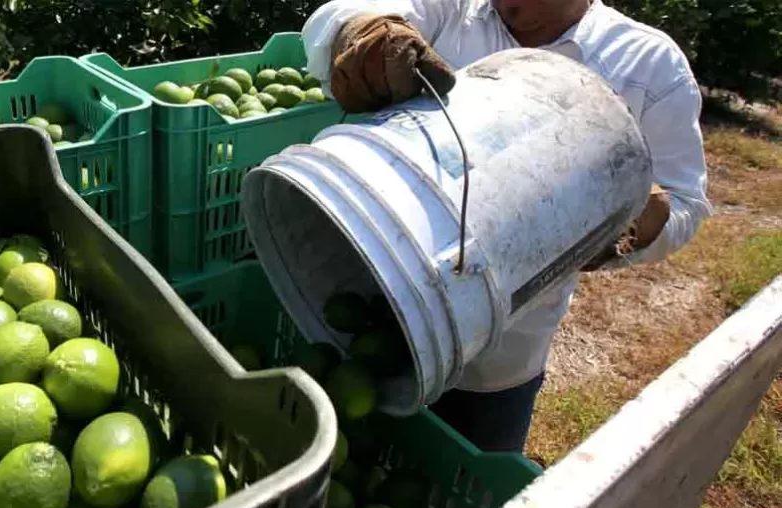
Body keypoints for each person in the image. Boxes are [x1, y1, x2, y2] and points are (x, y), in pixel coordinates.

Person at [301, 0, 711, 453]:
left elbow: (686, 201)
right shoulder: (454, 10)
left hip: (500, 351)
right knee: (355, 456)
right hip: (378, 296)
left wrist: (626, 228)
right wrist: (361, 31)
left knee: (467, 480)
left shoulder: (647, 64)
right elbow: (335, 15)